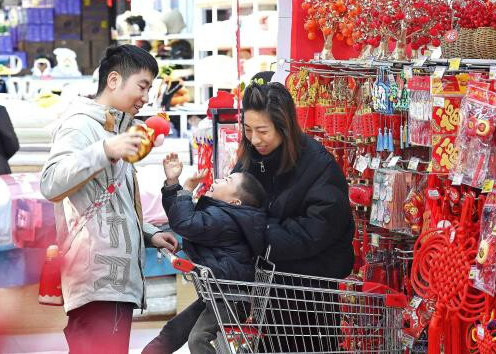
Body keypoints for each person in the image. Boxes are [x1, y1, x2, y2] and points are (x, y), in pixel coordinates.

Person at [40, 45, 178, 354]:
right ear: (113, 80)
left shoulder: (117, 128)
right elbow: (51, 183)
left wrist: (149, 234)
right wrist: (105, 150)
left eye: (149, 89)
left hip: (112, 281)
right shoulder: (81, 125)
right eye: (142, 86)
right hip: (98, 279)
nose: (146, 97)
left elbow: (114, 201)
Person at [231, 79, 355, 351]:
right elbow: (234, 207)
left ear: (284, 127)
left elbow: (317, 230)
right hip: (266, 295)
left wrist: (259, 233)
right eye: (248, 130)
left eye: (262, 130)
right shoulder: (250, 160)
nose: (254, 139)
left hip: (309, 299)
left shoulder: (318, 165)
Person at [142, 157, 267, 354]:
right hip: (217, 295)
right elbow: (179, 218)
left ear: (235, 201)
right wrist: (174, 186)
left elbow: (184, 223)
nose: (218, 180)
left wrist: (184, 190)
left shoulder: (226, 220)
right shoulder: (221, 214)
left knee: (198, 338)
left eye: (226, 180)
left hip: (232, 300)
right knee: (174, 330)